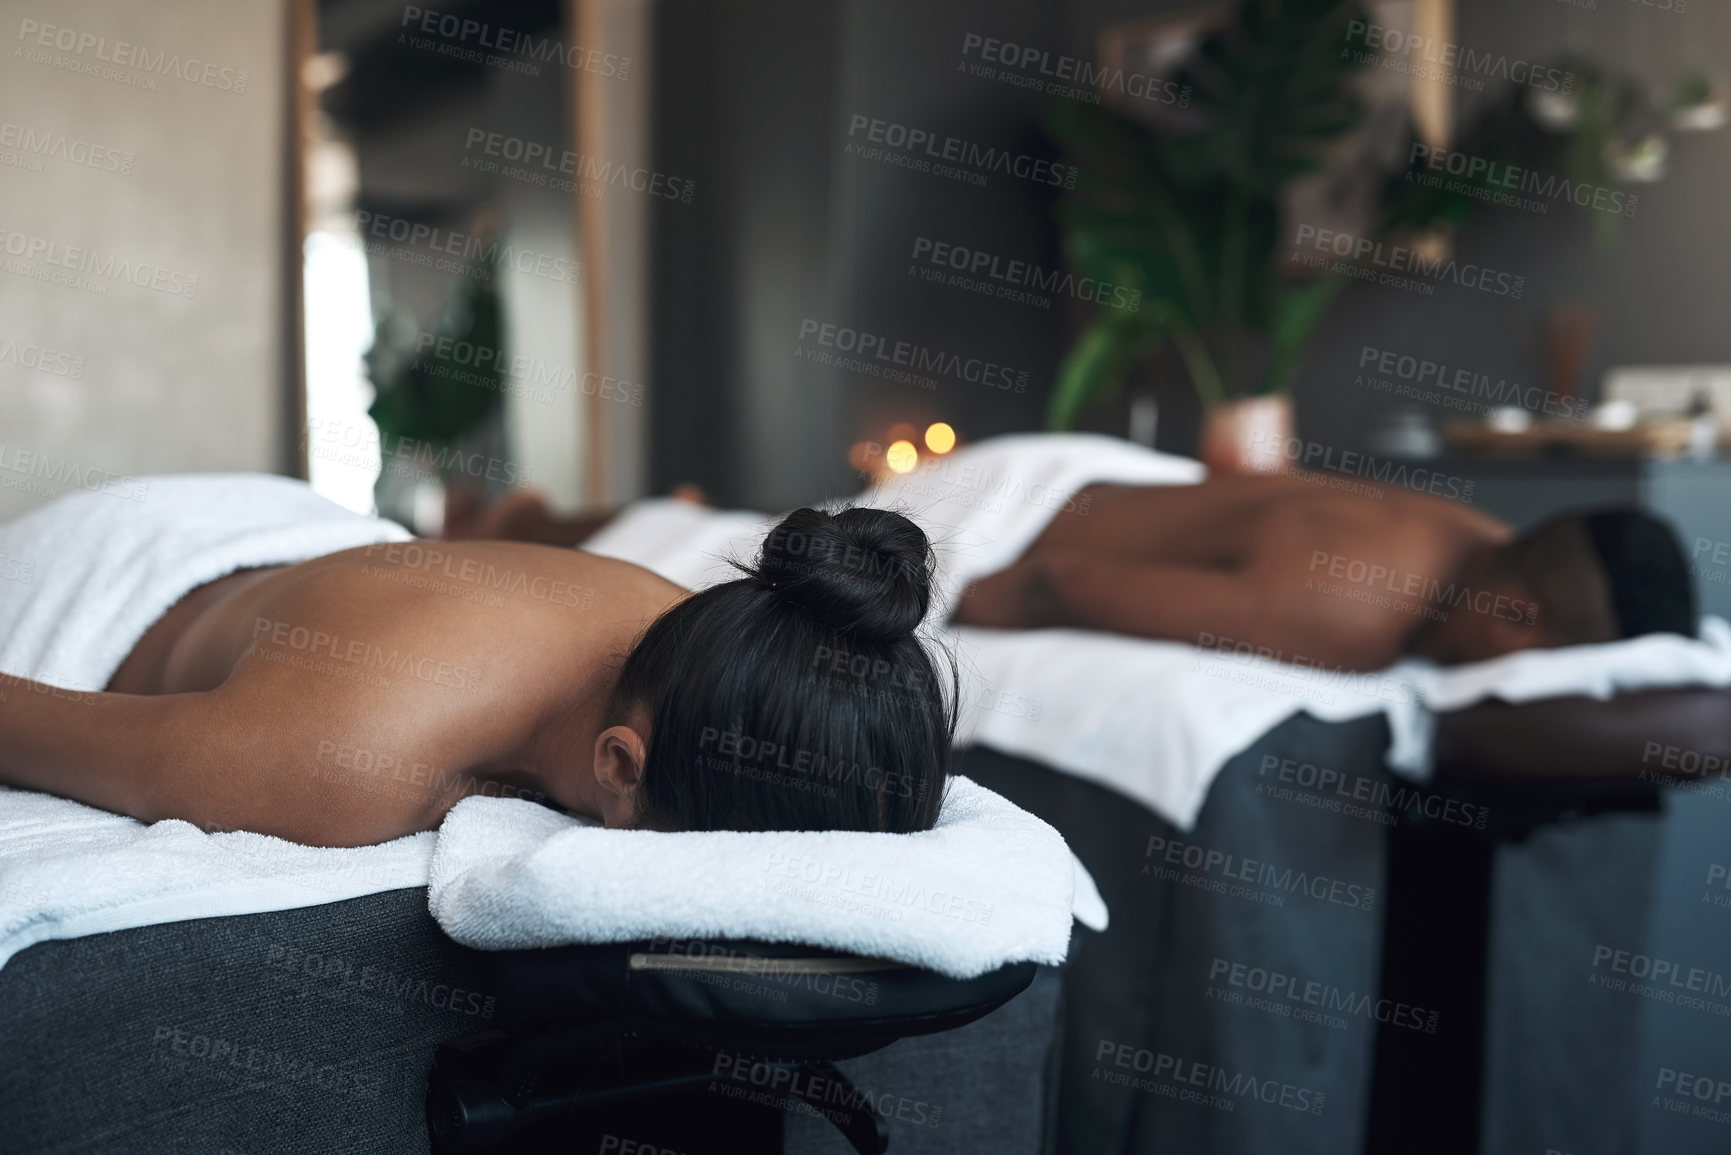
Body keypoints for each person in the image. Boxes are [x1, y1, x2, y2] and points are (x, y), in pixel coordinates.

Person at [0, 502, 954, 848]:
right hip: (116, 563)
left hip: (319, 546)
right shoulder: (344, 758)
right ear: (619, 766)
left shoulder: (737, 635)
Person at [952, 471, 1696, 671]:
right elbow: (1055, 584)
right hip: (997, 516)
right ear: (1514, 617)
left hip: (1096, 486)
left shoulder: (1490, 540)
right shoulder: (1353, 616)